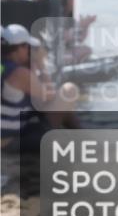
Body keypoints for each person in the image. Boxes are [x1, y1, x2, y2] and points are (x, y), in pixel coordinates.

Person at [1, 24, 77, 153]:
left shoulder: (4, 67)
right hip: (9, 142)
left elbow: (38, 102)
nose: (30, 51)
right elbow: (49, 96)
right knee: (68, 91)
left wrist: (33, 66)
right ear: (20, 48)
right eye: (28, 47)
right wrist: (41, 64)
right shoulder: (19, 73)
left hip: (14, 132)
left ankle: (83, 135)